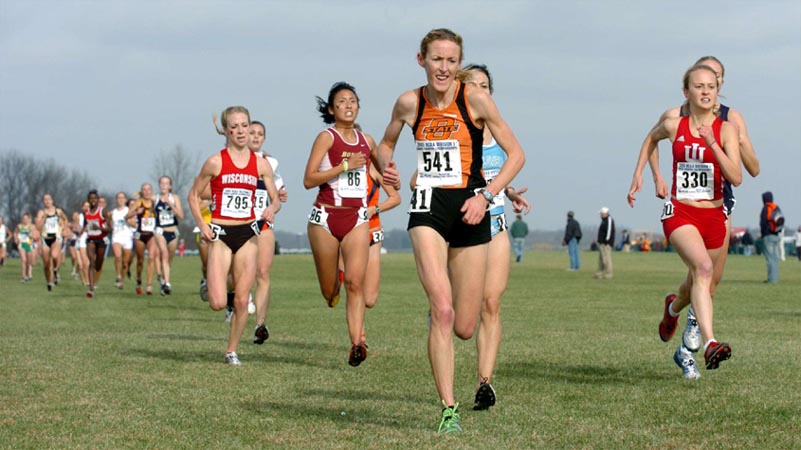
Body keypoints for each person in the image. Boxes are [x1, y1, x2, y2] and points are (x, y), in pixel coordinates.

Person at [375, 29, 525, 433]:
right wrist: (384, 165)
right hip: (428, 205)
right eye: (436, 59)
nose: (443, 68)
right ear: (420, 59)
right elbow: (385, 143)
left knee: (463, 325)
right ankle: (448, 408)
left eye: (451, 61)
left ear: (459, 65)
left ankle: (443, 309)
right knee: (443, 310)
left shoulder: (474, 99)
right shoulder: (410, 102)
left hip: (470, 207)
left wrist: (486, 195)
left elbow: (516, 155)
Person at [643, 56, 760, 377]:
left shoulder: (731, 119)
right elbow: (652, 141)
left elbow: (752, 168)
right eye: (705, 82)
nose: (712, 86)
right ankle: (696, 342)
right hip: (683, 207)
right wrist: (655, 177)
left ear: (721, 85)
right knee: (702, 270)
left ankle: (674, 309)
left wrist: (734, 139)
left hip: (718, 205)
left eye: (717, 80)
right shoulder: (673, 117)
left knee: (707, 281)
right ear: (690, 87)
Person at [455, 64, 531, 412]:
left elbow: (504, 168)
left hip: (496, 222)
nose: (482, 92)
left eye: (486, 86)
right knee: (461, 318)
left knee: (492, 303)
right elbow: (417, 179)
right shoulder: (453, 132)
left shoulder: (498, 131)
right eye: (475, 86)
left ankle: (484, 383)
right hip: (459, 228)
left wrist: (507, 192)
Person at [188, 105, 279, 366]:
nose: (241, 131)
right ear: (226, 130)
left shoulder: (261, 164)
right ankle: (212, 285)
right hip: (221, 233)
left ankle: (232, 351)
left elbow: (275, 199)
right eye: (235, 126)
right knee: (218, 303)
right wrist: (202, 225)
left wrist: (271, 209)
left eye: (245, 126)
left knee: (242, 299)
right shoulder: (215, 162)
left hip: (248, 234)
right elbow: (194, 195)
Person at [304, 81, 375, 366]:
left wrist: (389, 175)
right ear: (332, 109)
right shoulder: (327, 138)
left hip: (356, 217)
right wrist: (345, 166)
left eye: (353, 101)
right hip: (325, 217)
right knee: (330, 289)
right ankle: (333, 291)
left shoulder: (367, 141)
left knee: (356, 284)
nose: (348, 105)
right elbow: (309, 180)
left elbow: (378, 169)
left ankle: (356, 342)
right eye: (342, 102)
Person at [248, 119, 288, 344]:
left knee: (262, 273)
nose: (254, 136)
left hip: (262, 223)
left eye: (259, 133)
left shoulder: (270, 163)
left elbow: (277, 195)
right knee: (237, 277)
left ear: (264, 138)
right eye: (251, 132)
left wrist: (274, 205)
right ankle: (234, 299)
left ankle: (260, 325)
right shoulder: (232, 160)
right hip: (238, 224)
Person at [154, 176, 184, 295]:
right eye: (162, 183)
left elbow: (181, 216)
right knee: (164, 254)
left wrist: (171, 205)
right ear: (159, 185)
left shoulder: (174, 197)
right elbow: (147, 208)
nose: (164, 186)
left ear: (170, 186)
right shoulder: (155, 198)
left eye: (166, 184)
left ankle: (163, 278)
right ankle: (167, 283)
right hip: (160, 231)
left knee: (169, 259)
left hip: (173, 232)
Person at [127, 184, 159, 295]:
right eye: (144, 190)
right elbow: (126, 216)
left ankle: (149, 285)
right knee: (140, 260)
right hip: (139, 234)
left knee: (151, 258)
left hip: (152, 234)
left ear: (151, 191)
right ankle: (139, 279)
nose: (146, 192)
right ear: (142, 191)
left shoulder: (155, 202)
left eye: (148, 189)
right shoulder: (138, 203)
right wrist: (137, 212)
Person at [34, 194, 68, 291]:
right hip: (45, 238)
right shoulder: (41, 212)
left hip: (56, 237)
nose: (47, 201)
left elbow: (65, 219)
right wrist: (43, 219)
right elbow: (38, 227)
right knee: (46, 264)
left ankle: (56, 271)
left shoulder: (58, 211)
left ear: (52, 200)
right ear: (43, 202)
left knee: (54, 255)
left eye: (49, 199)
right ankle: (49, 282)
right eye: (45, 200)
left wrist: (64, 229)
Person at [82, 190, 111, 297]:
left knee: (98, 266)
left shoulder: (102, 211)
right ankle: (91, 289)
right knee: (92, 263)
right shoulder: (86, 212)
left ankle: (96, 274)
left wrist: (99, 227)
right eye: (91, 198)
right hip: (91, 240)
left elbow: (111, 229)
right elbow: (85, 224)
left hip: (102, 240)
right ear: (88, 200)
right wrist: (82, 231)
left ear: (98, 199)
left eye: (95, 198)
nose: (93, 200)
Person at [110, 192, 134, 289]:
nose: (120, 200)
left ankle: (122, 281)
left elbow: (134, 225)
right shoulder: (113, 212)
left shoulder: (130, 211)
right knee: (117, 256)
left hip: (127, 238)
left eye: (122, 198)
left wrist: (128, 220)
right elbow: (109, 223)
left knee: (125, 263)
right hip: (116, 237)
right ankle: (118, 275)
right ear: (116, 200)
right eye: (118, 198)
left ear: (125, 200)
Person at [759, 191, 784, 283]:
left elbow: (763, 223)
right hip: (776, 235)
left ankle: (771, 279)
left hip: (767, 235)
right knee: (776, 258)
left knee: (770, 258)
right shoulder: (776, 208)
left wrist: (763, 234)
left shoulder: (765, 208)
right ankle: (775, 278)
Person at [594, 207, 615, 279]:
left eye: (601, 214)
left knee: (606, 259)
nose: (600, 215)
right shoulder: (603, 221)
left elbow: (609, 232)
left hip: (606, 244)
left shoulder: (609, 220)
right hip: (602, 243)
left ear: (605, 213)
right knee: (601, 259)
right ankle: (599, 273)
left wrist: (607, 241)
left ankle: (609, 274)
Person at [15, 213, 35, 282]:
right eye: (23, 219)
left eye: (26, 219)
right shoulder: (19, 226)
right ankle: (23, 276)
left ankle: (27, 274)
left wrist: (30, 235)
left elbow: (35, 236)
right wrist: (16, 239)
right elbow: (15, 233)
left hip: (29, 244)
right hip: (21, 244)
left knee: (28, 262)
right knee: (23, 260)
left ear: (29, 219)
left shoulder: (32, 227)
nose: (25, 220)